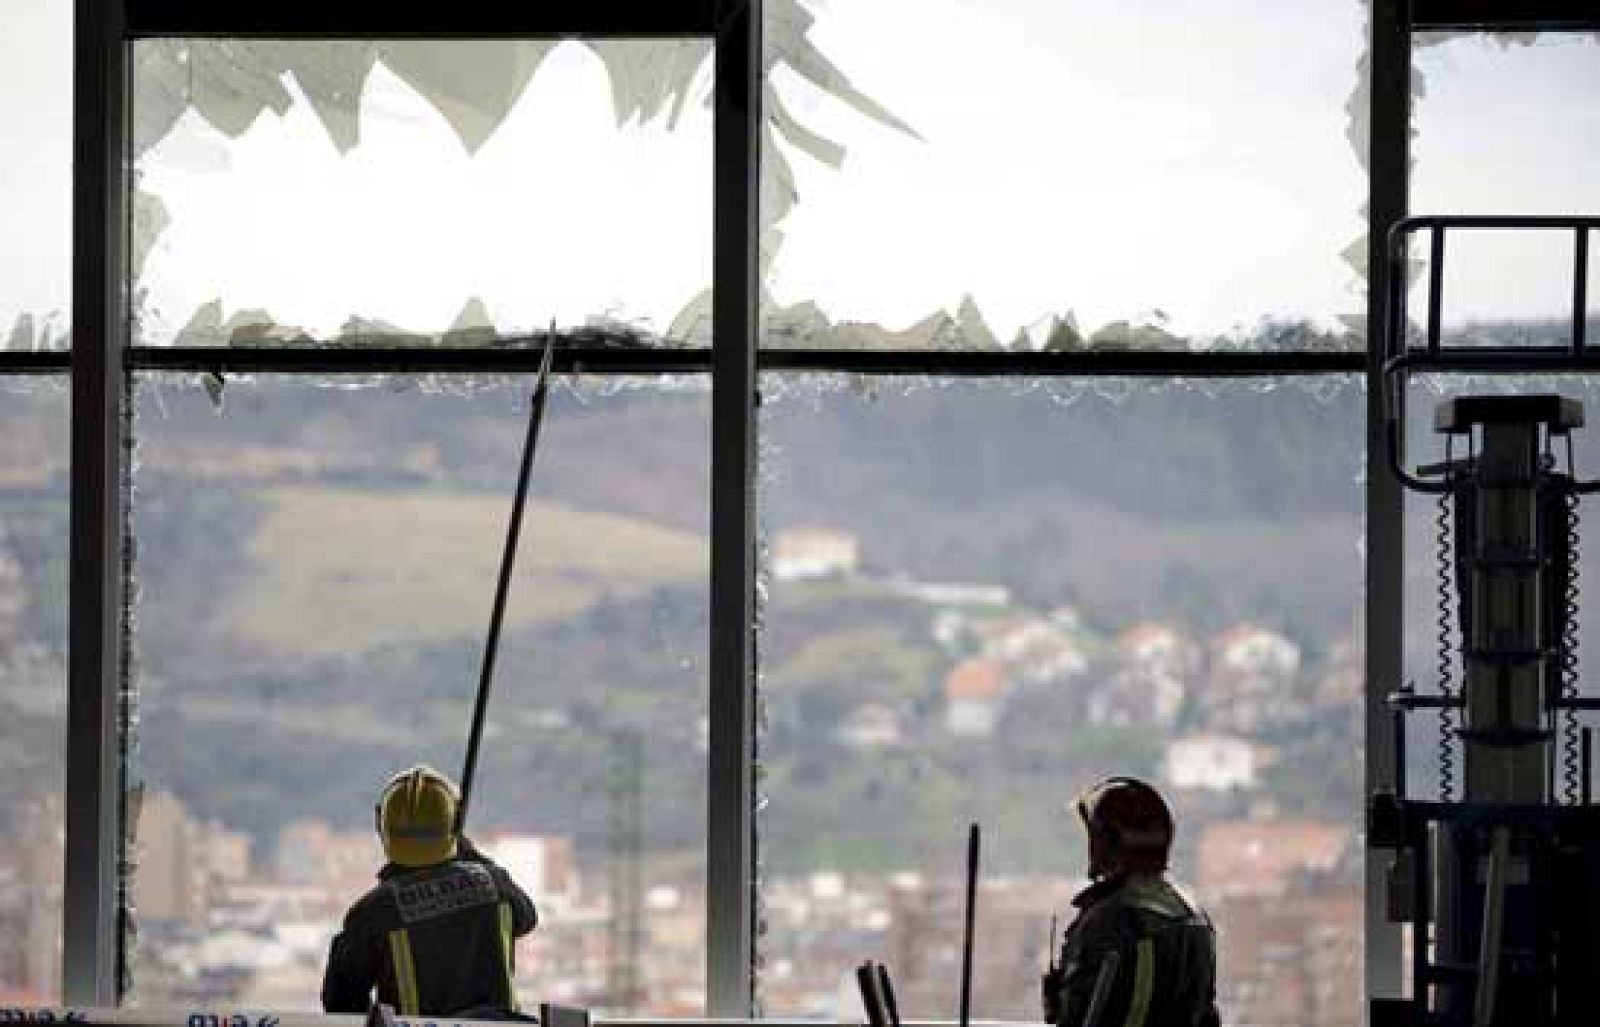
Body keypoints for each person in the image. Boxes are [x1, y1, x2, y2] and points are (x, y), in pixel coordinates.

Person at [322, 765, 538, 1017]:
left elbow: (341, 1001)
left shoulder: (373, 911)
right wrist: (463, 848)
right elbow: (527, 920)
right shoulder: (495, 884)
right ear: (453, 826)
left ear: (382, 828)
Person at [1040, 776, 1219, 1027]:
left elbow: (1078, 1018)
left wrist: (1059, 1001)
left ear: (1105, 842)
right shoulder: (1195, 917)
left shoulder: (1108, 920)